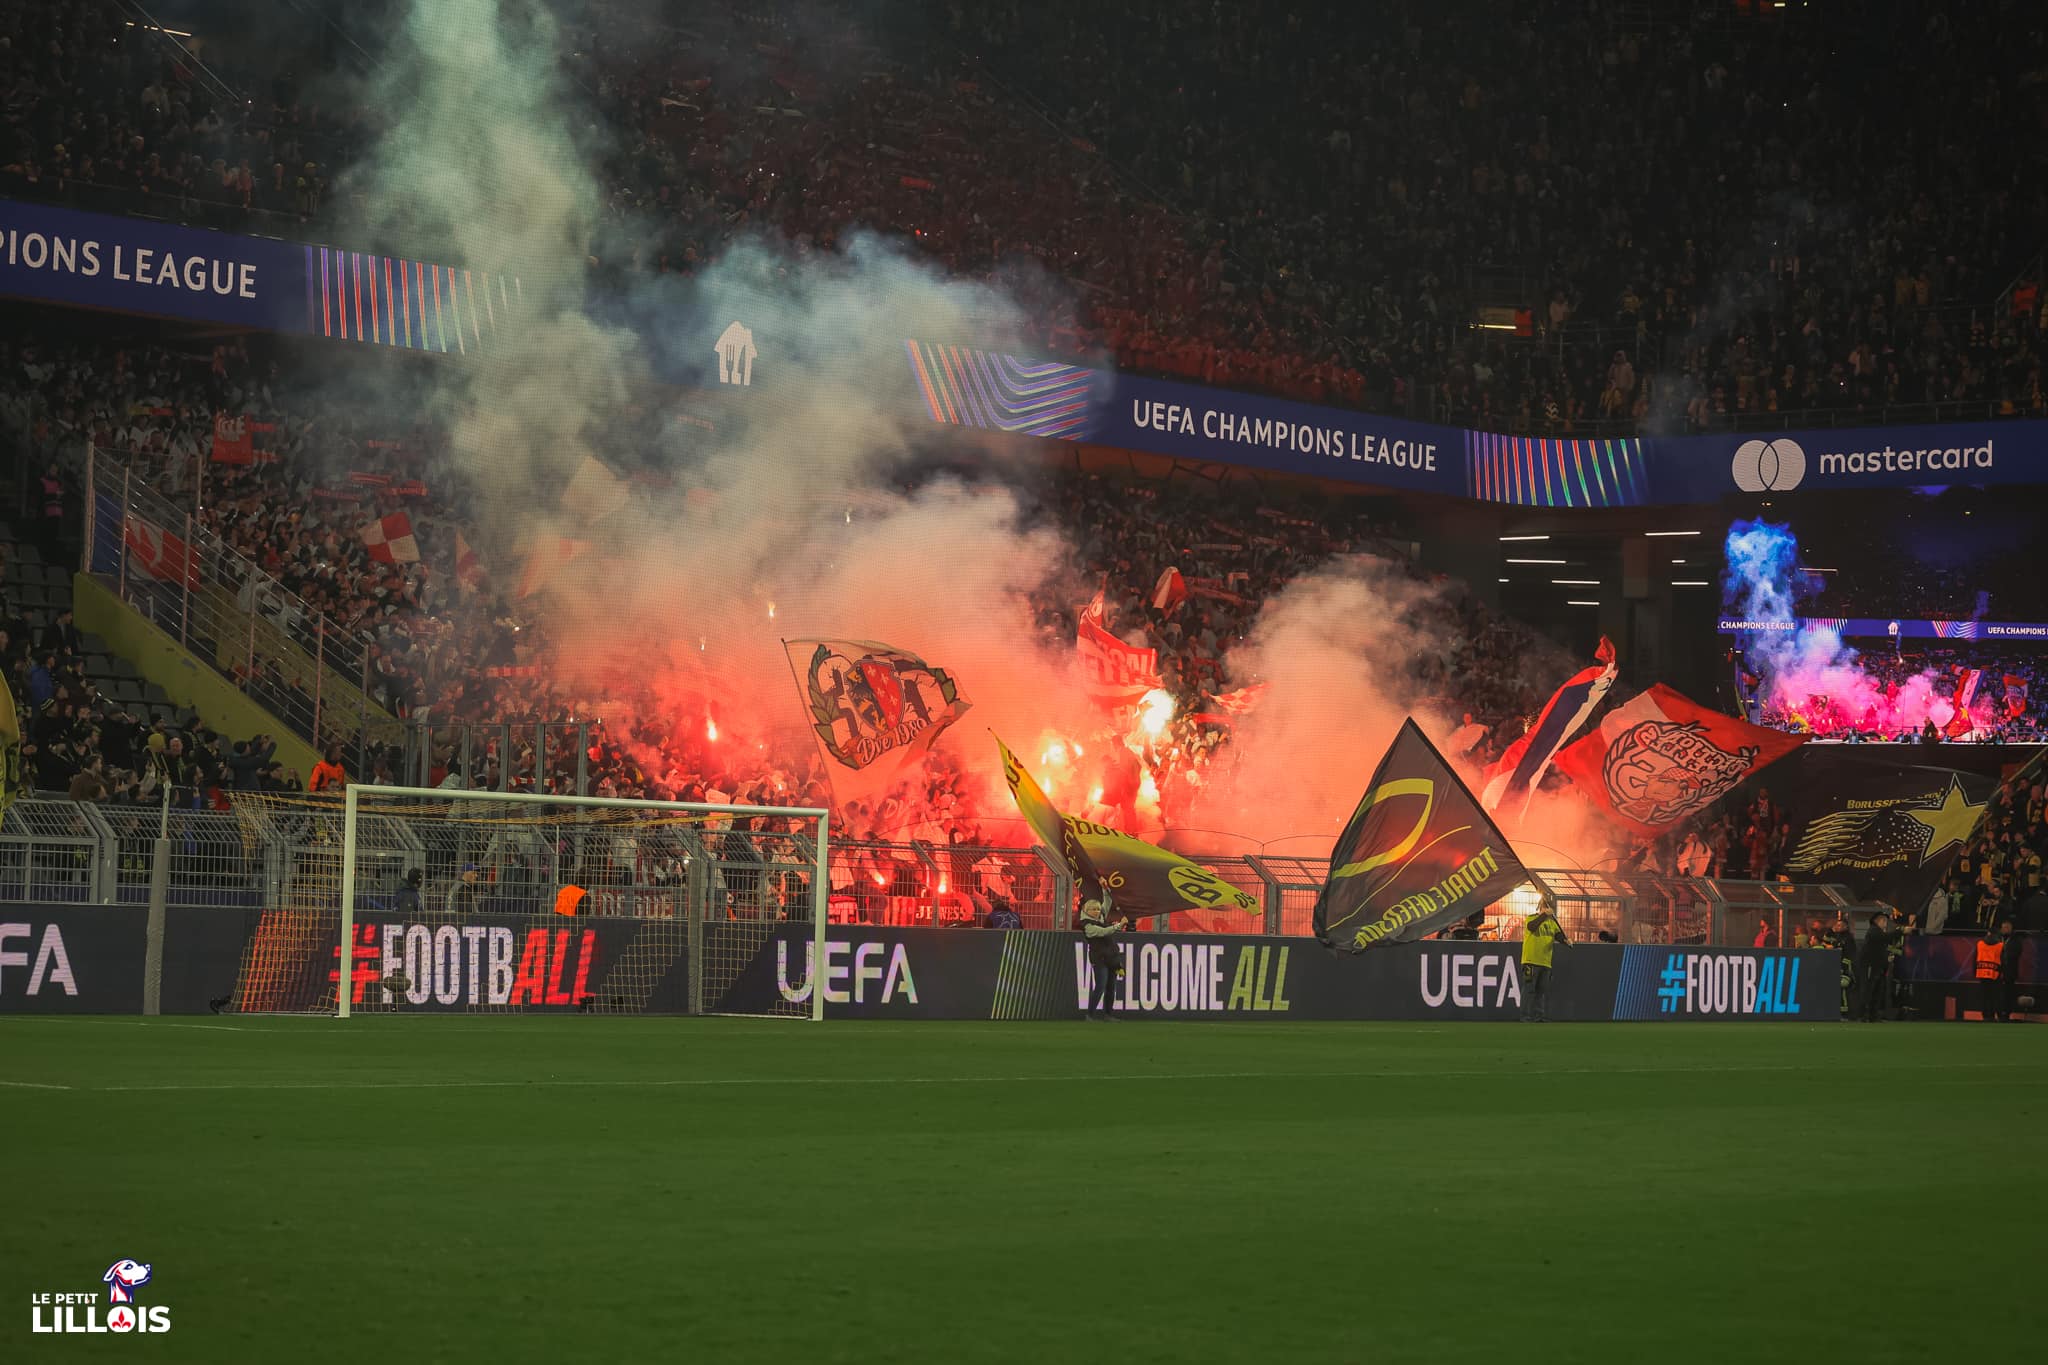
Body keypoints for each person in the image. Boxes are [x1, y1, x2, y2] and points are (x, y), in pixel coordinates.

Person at [1519, 892, 1569, 1023]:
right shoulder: (1532, 918)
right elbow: (1532, 927)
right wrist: (1544, 916)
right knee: (1529, 989)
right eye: (1545, 907)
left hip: (1545, 962)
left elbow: (1559, 937)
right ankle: (1525, 1016)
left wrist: (1566, 941)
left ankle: (1538, 1016)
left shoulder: (1553, 924)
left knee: (1541, 991)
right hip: (1531, 960)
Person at [1078, 894, 1127, 1018]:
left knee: (1111, 987)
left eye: (1098, 909)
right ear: (1086, 910)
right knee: (1101, 986)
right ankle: (1090, 1014)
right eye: (1093, 909)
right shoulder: (1087, 925)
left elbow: (1108, 901)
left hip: (1111, 958)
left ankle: (1108, 1014)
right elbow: (1103, 931)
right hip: (1099, 958)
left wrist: (1105, 888)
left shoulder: (1101, 917)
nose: (1096, 911)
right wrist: (1119, 925)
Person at [1856, 911, 1903, 1021]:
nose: (1885, 923)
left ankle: (1872, 1015)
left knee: (1876, 990)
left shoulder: (1877, 933)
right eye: (1884, 921)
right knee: (1868, 990)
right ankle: (1863, 1014)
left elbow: (1882, 945)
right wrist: (1900, 931)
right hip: (1870, 965)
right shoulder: (1874, 931)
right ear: (1879, 921)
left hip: (1877, 966)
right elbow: (1886, 938)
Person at [1973, 919, 2011, 1022]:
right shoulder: (2000, 945)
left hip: (1981, 972)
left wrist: (1974, 971)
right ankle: (1996, 1014)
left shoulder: (1980, 943)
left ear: (1988, 933)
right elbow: (2004, 961)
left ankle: (1986, 1015)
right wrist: (2004, 973)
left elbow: (1974, 958)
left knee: (1985, 996)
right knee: (1996, 996)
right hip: (1995, 973)